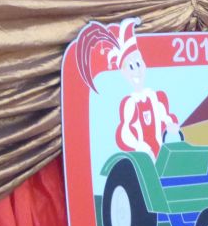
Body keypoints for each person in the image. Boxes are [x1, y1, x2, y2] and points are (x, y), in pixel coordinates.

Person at [76, 17, 181, 158]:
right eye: (131, 67)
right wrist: (139, 145)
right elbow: (125, 132)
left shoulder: (153, 96)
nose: (137, 70)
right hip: (143, 155)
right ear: (124, 73)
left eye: (139, 64)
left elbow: (164, 115)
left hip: (161, 152)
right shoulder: (131, 103)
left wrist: (171, 124)